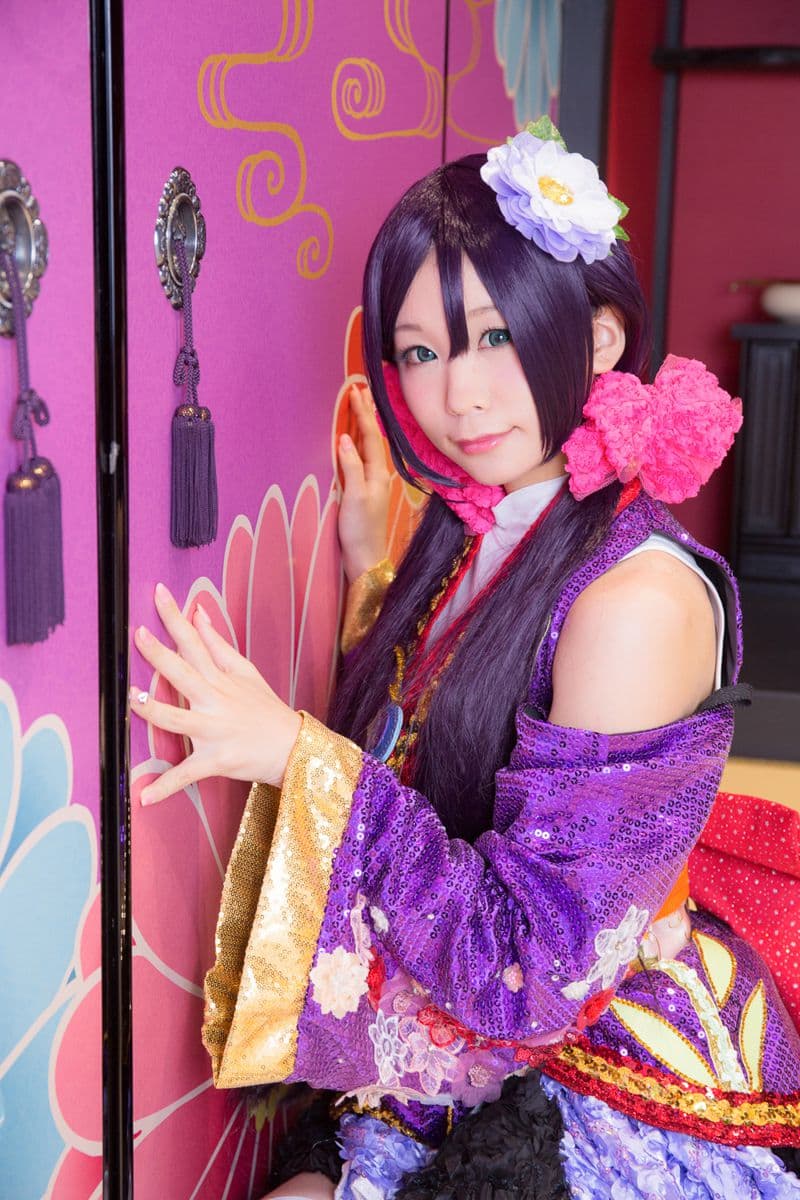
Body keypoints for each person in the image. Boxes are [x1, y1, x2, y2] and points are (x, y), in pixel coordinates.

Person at [131, 121, 800, 1199]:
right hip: (465, 1040)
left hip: (596, 1068)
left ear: (597, 338)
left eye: (495, 336)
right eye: (421, 351)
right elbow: (440, 734)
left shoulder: (632, 603)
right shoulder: (483, 529)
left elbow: (533, 970)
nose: (461, 395)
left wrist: (300, 760)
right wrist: (373, 579)